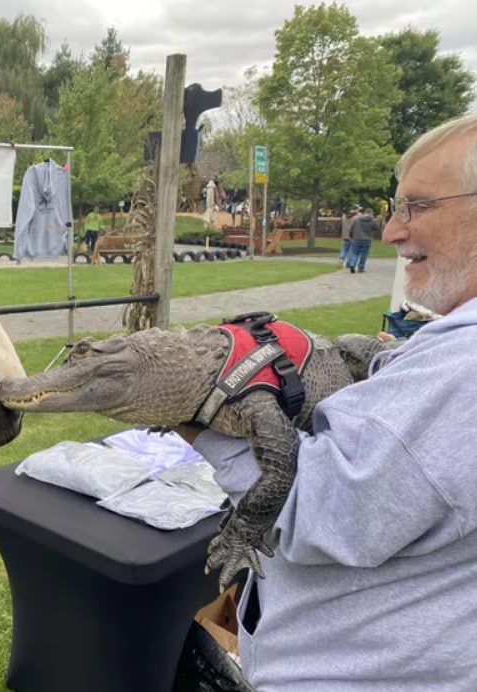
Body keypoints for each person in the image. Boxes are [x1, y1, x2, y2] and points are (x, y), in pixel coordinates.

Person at [175, 113, 477, 689]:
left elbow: (315, 510)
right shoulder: (451, 348)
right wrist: (383, 359)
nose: (392, 230)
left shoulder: (466, 367)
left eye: (418, 206)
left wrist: (194, 414)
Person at [345, 206, 379, 273]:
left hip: (357, 238)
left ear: (365, 212)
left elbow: (351, 229)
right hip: (367, 239)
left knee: (355, 253)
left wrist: (351, 236)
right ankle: (361, 268)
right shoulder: (371, 221)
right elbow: (377, 228)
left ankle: (352, 264)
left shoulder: (357, 220)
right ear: (371, 213)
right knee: (364, 254)